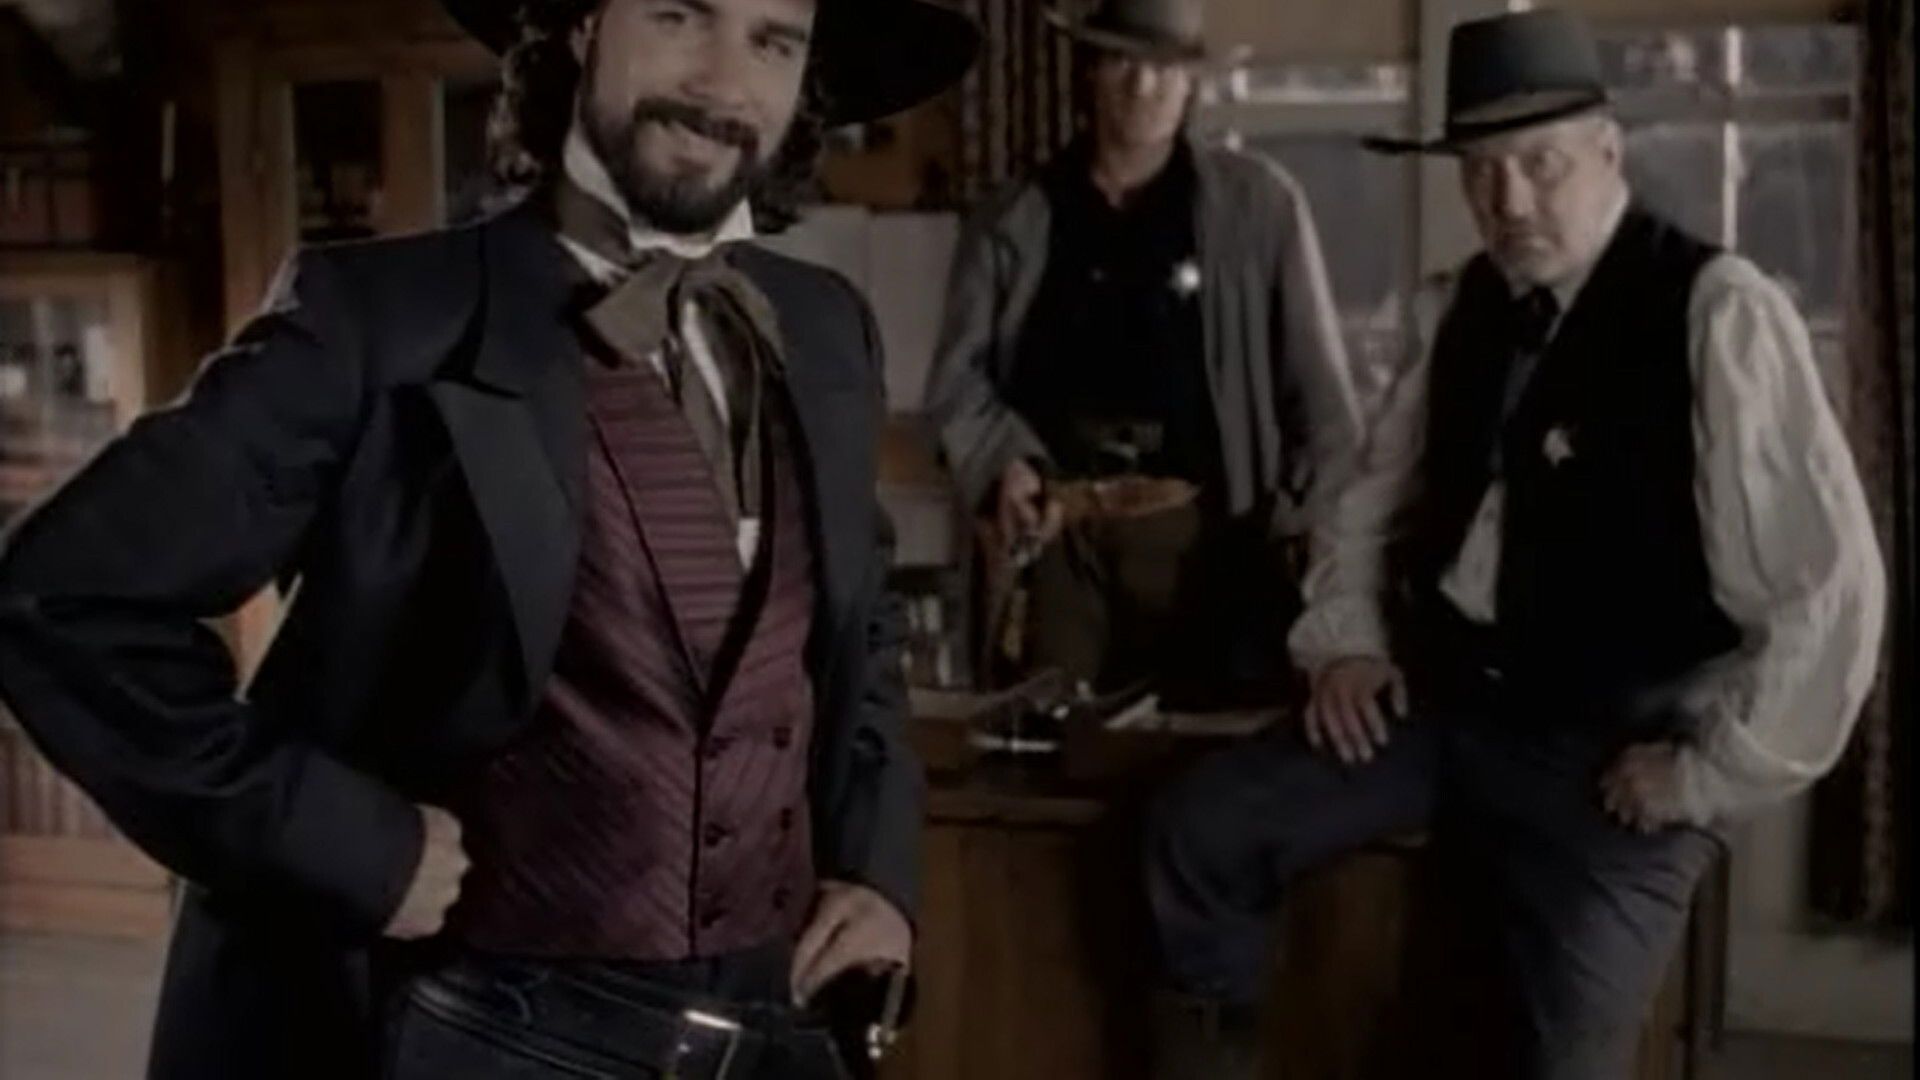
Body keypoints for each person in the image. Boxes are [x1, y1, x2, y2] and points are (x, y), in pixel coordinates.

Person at [0, 0, 977, 1076]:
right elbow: (66, 599)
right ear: (582, 26)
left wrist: (879, 873)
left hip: (774, 1031)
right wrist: (344, 843)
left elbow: (859, 634)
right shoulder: (380, 320)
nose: (723, 81)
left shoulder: (827, 329)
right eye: (679, 13)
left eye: (772, 40)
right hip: (462, 1033)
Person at [1140, 9, 1887, 1079]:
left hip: (1613, 757)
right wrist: (1345, 643)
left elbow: (1829, 591)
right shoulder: (1459, 309)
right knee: (1198, 831)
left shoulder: (1717, 312)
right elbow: (1364, 504)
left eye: (1542, 165)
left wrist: (1700, 777)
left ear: (1609, 152)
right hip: (1446, 710)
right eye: (1482, 172)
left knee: (1555, 1059)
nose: (1511, 201)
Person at [923, 0, 1360, 704]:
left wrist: (1309, 545)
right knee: (1048, 739)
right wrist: (1003, 461)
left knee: (1207, 747)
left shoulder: (1258, 209)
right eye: (1123, 61)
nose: (1143, 85)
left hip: (1208, 544)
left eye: (1165, 67)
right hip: (1062, 534)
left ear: (1191, 82)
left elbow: (1326, 412)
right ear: (1091, 71)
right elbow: (956, 383)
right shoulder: (1016, 219)